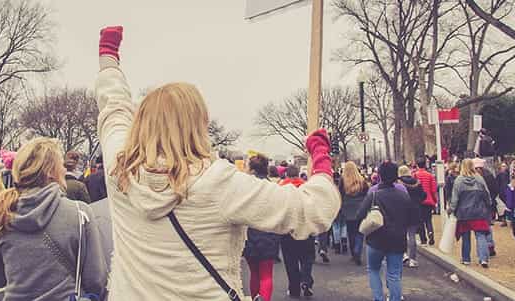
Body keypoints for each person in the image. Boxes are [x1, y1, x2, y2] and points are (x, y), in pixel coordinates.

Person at [97, 26, 340, 300]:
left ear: (141, 122)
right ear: (197, 125)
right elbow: (315, 210)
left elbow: (113, 108)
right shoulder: (216, 183)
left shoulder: (120, 171)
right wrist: (320, 157)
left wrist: (108, 59)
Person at [0, 138, 108, 300]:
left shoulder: (2, 213)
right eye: (61, 165)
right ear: (51, 171)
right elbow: (96, 280)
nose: (64, 169)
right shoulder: (80, 213)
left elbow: (0, 280)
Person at [356, 161, 417, 301]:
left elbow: (359, 214)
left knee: (373, 270)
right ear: (396, 176)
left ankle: (378, 298)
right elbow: (413, 219)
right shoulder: (404, 195)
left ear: (380, 176)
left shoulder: (374, 195)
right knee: (394, 274)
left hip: (376, 239)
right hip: (397, 239)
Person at [242, 154, 282, 301]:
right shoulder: (273, 188)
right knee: (266, 275)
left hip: (250, 233)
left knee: (254, 273)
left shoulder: (245, 189)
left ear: (252, 170)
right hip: (269, 233)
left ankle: (254, 298)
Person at [278, 165, 317, 298]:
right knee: (307, 258)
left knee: (290, 261)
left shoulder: (281, 189)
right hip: (306, 228)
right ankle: (306, 280)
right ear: (299, 174)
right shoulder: (306, 188)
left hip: (288, 231)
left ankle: (294, 288)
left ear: (287, 175)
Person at [448, 159, 493, 268]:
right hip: (479, 211)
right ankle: (483, 259)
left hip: (464, 213)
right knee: (480, 235)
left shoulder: (459, 180)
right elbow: (486, 194)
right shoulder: (479, 179)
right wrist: (489, 204)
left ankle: (466, 258)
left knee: (466, 236)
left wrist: (451, 209)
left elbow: (455, 198)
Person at [339, 161, 369, 266]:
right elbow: (367, 194)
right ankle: (358, 250)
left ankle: (353, 252)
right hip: (360, 208)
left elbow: (340, 194)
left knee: (351, 232)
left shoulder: (343, 181)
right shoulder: (362, 180)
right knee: (360, 232)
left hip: (348, 208)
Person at [398, 165, 426, 268]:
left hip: (402, 210)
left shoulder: (398, 183)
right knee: (412, 235)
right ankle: (413, 259)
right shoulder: (417, 182)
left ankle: (404, 254)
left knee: (402, 234)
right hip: (415, 210)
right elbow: (424, 195)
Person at [473, 158, 498, 256]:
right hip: (488, 204)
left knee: (479, 229)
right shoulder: (489, 176)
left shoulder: (473, 177)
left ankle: (484, 248)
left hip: (477, 204)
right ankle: (490, 244)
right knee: (487, 224)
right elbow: (495, 189)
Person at [414, 158, 437, 246]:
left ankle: (423, 239)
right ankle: (430, 233)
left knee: (420, 221)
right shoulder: (430, 175)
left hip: (418, 202)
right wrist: (435, 200)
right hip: (429, 201)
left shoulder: (415, 175)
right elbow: (433, 189)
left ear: (417, 165)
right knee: (428, 220)